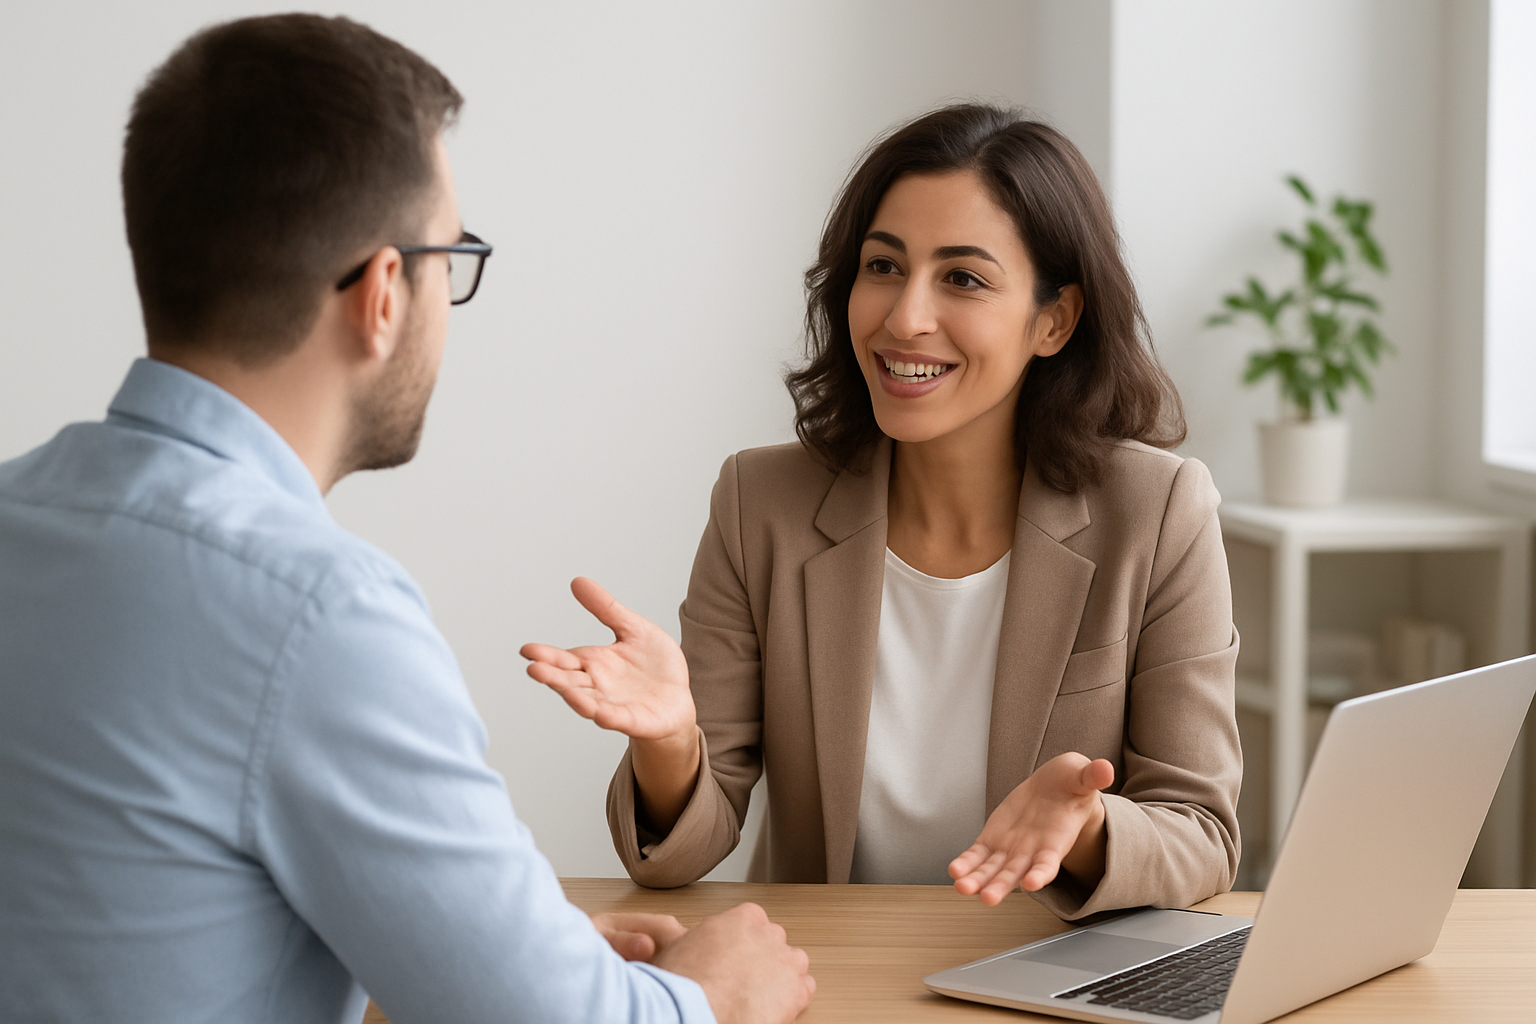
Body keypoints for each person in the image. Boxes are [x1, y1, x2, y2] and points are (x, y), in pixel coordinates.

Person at [0, 15, 813, 1024]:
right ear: (384, 292)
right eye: (448, 257)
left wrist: (477, 944)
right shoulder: (317, 614)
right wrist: (710, 994)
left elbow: (138, 915)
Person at [523, 104, 1242, 922]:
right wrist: (669, 742)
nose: (905, 318)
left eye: (963, 278)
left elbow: (1204, 832)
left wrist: (1084, 827)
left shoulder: (1159, 512)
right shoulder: (760, 504)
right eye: (884, 266)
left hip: (1046, 975)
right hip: (833, 973)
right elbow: (680, 852)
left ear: (1054, 320)